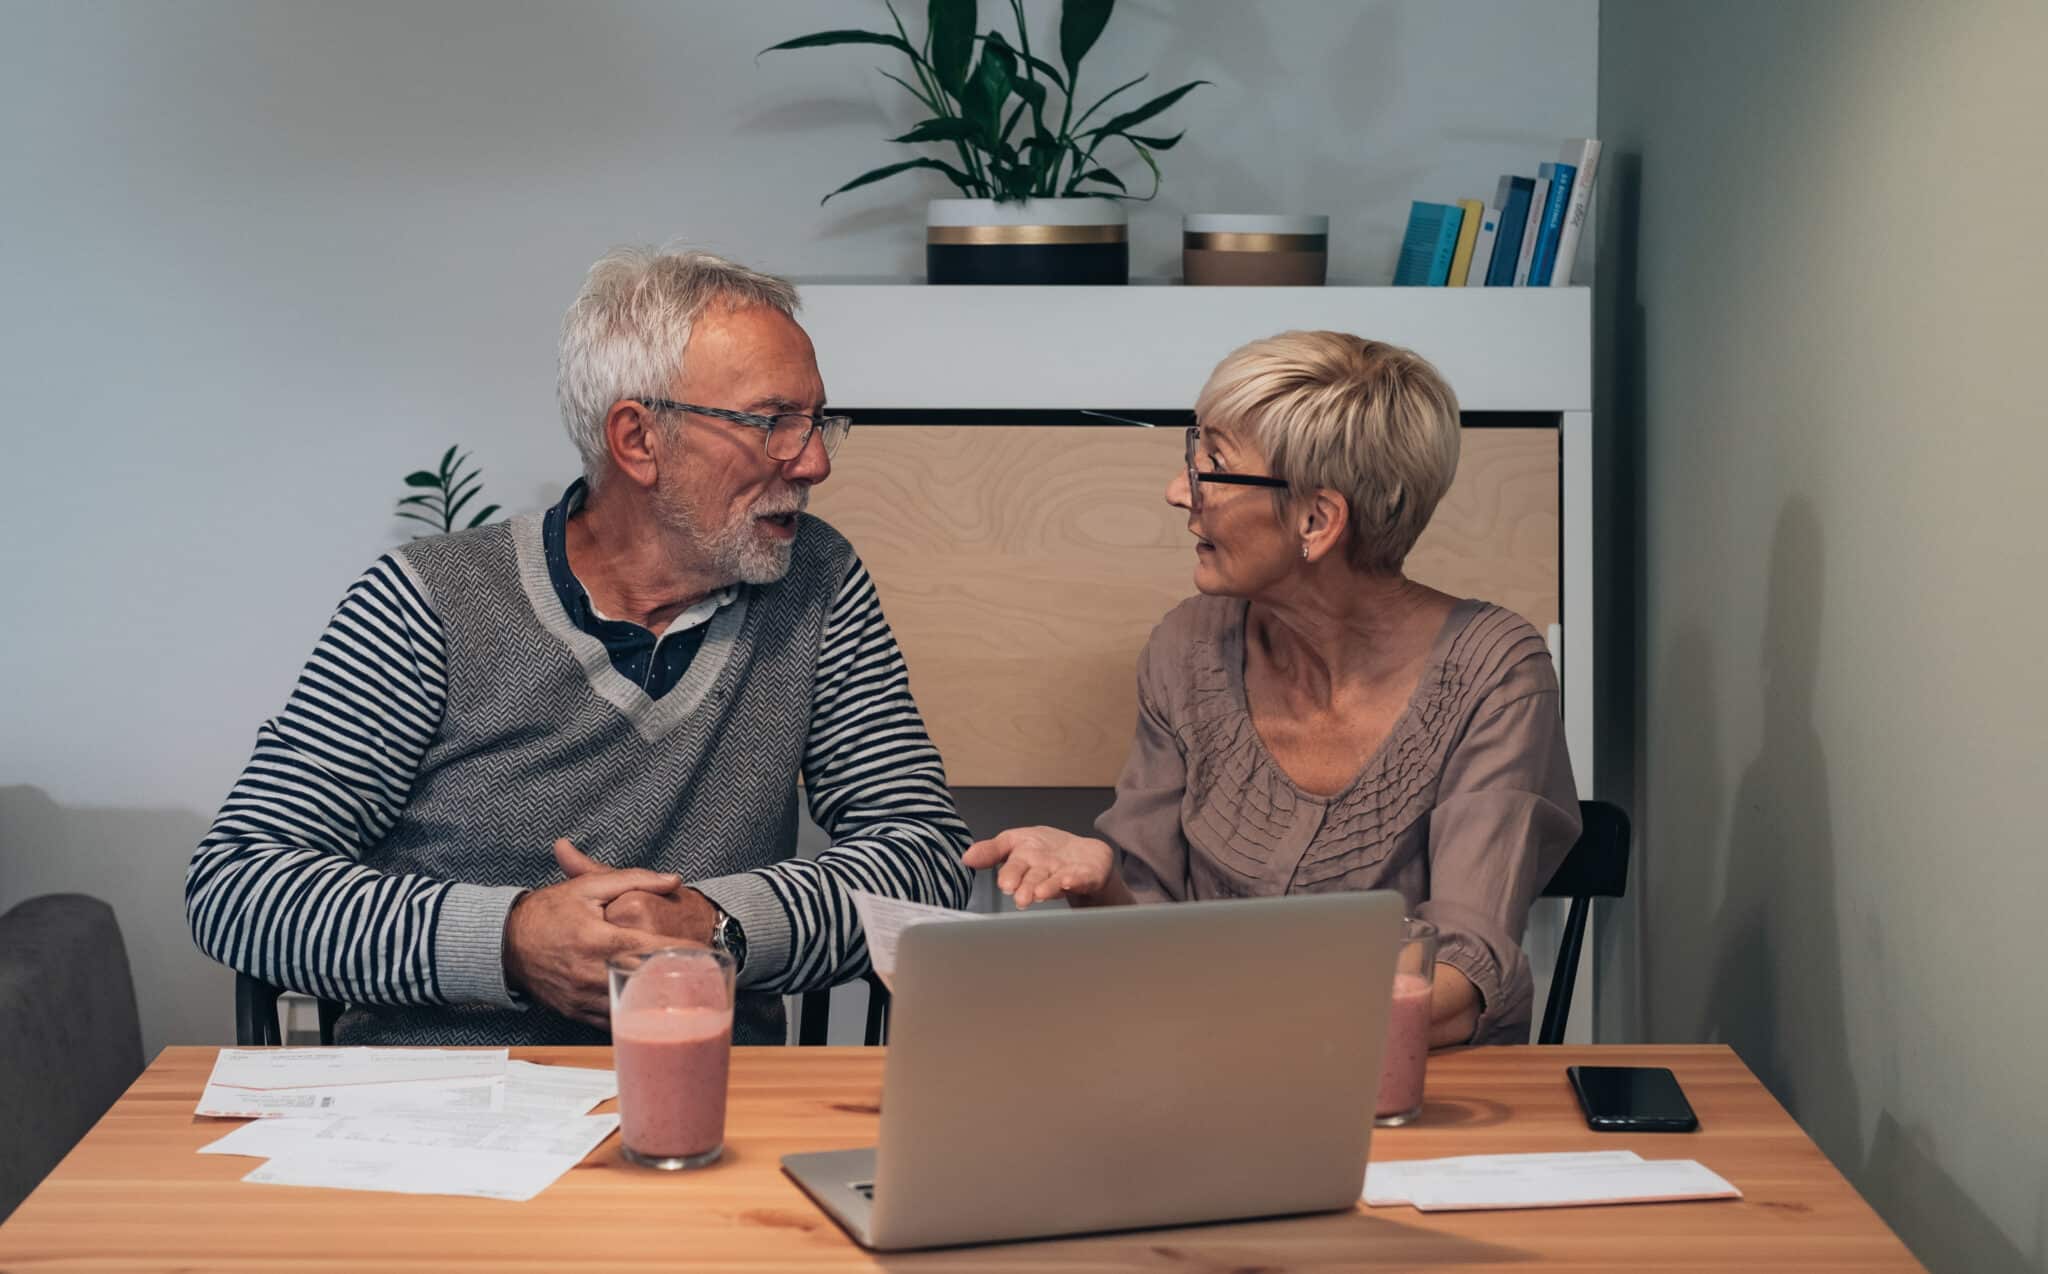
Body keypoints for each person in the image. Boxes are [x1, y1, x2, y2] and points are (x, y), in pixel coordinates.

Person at [187, 247, 973, 1045]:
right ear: (638, 440)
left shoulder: (818, 581)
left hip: (716, 1100)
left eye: (817, 421)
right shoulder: (428, 601)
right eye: (773, 424)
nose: (815, 462)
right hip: (435, 1115)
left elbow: (925, 862)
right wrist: (510, 940)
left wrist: (720, 927)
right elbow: (241, 882)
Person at [964, 331, 1579, 1046]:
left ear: (1317, 520)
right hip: (1205, 1095)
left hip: (1418, 1114)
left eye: (1213, 468)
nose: (1177, 492)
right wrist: (1100, 884)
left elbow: (1460, 978)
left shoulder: (1494, 671)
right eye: (1191, 458)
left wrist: (1223, 1012)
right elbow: (1144, 942)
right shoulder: (1187, 648)